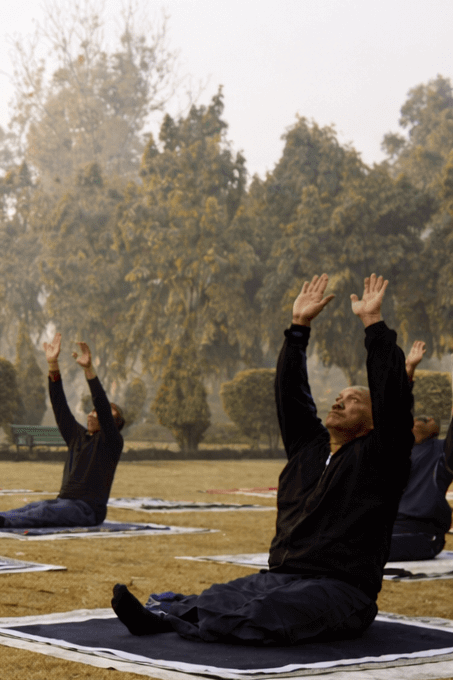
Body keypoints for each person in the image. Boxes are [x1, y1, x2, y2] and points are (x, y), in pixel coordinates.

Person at [112, 273, 414, 645]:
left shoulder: (380, 457)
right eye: (338, 395)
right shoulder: (310, 450)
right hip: (282, 574)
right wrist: (298, 327)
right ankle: (165, 617)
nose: (339, 400)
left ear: (372, 422)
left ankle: (179, 620)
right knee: (226, 593)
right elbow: (291, 396)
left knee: (273, 610)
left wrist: (373, 326)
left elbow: (394, 401)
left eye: (354, 400)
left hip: (341, 588)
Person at [0, 334, 123, 530]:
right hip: (64, 501)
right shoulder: (78, 437)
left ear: (111, 425)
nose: (92, 415)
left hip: (87, 510)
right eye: (92, 411)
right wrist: (53, 364)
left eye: (98, 414)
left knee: (44, 512)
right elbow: (60, 406)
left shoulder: (111, 443)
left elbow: (103, 406)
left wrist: (89, 370)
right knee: (34, 507)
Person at [388, 340, 452, 561]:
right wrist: (408, 370)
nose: (425, 417)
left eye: (430, 418)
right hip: (389, 529)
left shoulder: (443, 451)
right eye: (418, 417)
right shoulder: (398, 449)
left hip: (421, 535)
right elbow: (397, 409)